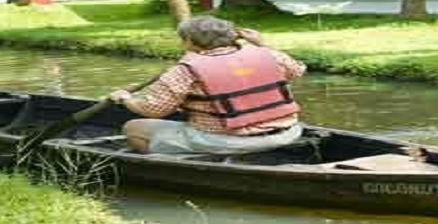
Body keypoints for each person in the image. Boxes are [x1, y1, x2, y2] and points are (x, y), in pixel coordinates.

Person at [106, 16, 305, 155]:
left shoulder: (184, 71)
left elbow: (152, 110)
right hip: (288, 133)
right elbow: (296, 70)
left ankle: (176, 167)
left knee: (132, 128)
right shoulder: (268, 54)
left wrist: (125, 98)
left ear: (189, 41)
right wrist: (262, 45)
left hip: (228, 141)